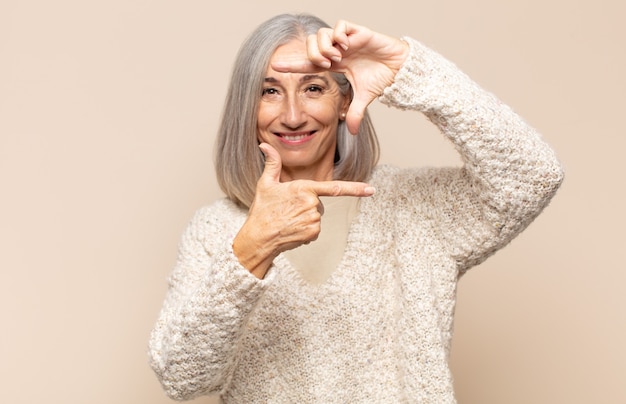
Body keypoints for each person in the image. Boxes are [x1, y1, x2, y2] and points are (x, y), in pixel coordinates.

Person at [148, 13, 563, 403]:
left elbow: (533, 174)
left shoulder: (412, 207)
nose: (293, 116)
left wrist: (408, 67)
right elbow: (182, 378)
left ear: (344, 101)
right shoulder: (216, 229)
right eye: (269, 91)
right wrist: (251, 251)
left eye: (313, 88)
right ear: (247, 108)